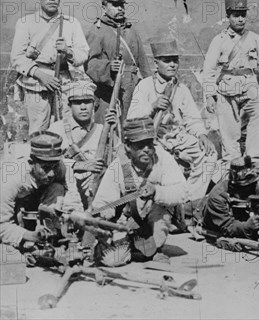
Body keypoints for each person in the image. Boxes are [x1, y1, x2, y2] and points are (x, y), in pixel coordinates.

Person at [127, 39, 222, 201]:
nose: (172, 65)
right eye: (166, 61)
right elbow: (132, 120)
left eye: (175, 60)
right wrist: (152, 107)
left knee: (209, 155)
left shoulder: (182, 89)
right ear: (156, 63)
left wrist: (201, 135)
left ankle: (189, 200)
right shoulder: (144, 86)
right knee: (162, 165)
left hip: (178, 138)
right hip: (153, 139)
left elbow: (192, 118)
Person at [91, 117, 186, 263]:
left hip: (154, 215)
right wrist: (102, 216)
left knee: (162, 210)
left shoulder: (164, 159)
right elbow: (104, 202)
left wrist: (157, 191)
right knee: (112, 261)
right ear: (128, 146)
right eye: (140, 145)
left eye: (149, 144)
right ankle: (135, 248)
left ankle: (155, 249)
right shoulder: (118, 167)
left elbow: (182, 193)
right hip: (125, 221)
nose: (146, 150)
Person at [203, 0, 259, 167]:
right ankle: (233, 161)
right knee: (229, 129)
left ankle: (252, 156)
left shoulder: (254, 38)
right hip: (226, 90)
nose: (240, 19)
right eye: (236, 15)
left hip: (250, 86)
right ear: (228, 16)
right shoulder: (219, 40)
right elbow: (208, 70)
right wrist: (209, 95)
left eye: (243, 15)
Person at [10, 0, 89, 132]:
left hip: (64, 84)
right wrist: (41, 75)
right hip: (36, 85)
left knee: (67, 131)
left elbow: (83, 54)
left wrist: (68, 51)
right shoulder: (26, 23)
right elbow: (17, 57)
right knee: (38, 132)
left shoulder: (71, 23)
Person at [0, 131, 81, 247]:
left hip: (35, 202)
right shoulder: (10, 179)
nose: (52, 173)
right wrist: (29, 235)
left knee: (57, 188)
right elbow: (2, 225)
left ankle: (50, 230)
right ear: (31, 163)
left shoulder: (60, 167)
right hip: (11, 209)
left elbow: (73, 200)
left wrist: (74, 221)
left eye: (55, 167)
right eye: (46, 168)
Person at [85, 0, 152, 124]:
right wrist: (109, 67)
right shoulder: (97, 30)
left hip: (133, 89)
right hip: (107, 90)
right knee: (107, 129)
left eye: (122, 4)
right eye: (115, 5)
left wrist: (151, 86)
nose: (120, 8)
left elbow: (143, 62)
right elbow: (90, 63)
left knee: (132, 126)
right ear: (104, 7)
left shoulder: (131, 30)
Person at [48, 80, 116, 208]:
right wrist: (80, 165)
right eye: (78, 103)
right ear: (69, 105)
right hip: (67, 188)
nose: (83, 107)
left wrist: (115, 130)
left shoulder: (103, 130)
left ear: (94, 104)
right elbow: (48, 164)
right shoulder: (56, 129)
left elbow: (118, 161)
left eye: (87, 102)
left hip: (97, 188)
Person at [201, 156, 259, 239]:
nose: (251, 189)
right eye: (246, 187)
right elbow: (226, 227)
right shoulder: (218, 196)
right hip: (204, 214)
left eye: (253, 184)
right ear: (233, 186)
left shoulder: (253, 186)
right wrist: (245, 227)